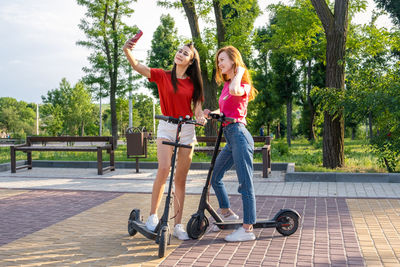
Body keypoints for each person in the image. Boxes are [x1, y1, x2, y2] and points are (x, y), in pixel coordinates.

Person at [123, 39, 206, 240]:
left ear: (191, 61)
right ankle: (153, 216)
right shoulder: (163, 76)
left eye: (185, 53)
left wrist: (201, 117)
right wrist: (127, 50)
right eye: (179, 51)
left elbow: (197, 110)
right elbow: (137, 66)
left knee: (180, 179)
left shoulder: (194, 84)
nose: (180, 54)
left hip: (186, 130)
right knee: (164, 168)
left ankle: (177, 225)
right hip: (167, 127)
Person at [204, 45, 258, 242]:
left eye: (222, 60)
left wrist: (240, 71)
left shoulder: (242, 85)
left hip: (239, 135)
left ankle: (247, 229)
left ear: (233, 61)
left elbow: (236, 90)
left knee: (245, 183)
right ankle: (226, 212)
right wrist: (210, 114)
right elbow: (224, 111)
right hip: (230, 136)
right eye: (218, 61)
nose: (219, 64)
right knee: (215, 176)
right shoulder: (226, 86)